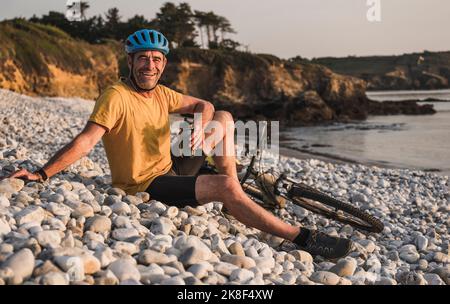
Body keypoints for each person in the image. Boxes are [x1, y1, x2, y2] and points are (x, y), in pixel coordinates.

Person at [5, 29, 353, 259]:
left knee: (226, 119)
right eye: (142, 58)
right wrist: (42, 173)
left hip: (170, 162)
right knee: (226, 183)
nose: (149, 64)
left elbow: (206, 106)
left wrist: (200, 127)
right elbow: (86, 140)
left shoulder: (162, 92)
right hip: (145, 182)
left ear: (163, 64)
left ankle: (234, 201)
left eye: (156, 59)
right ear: (130, 62)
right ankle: (302, 237)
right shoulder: (116, 96)